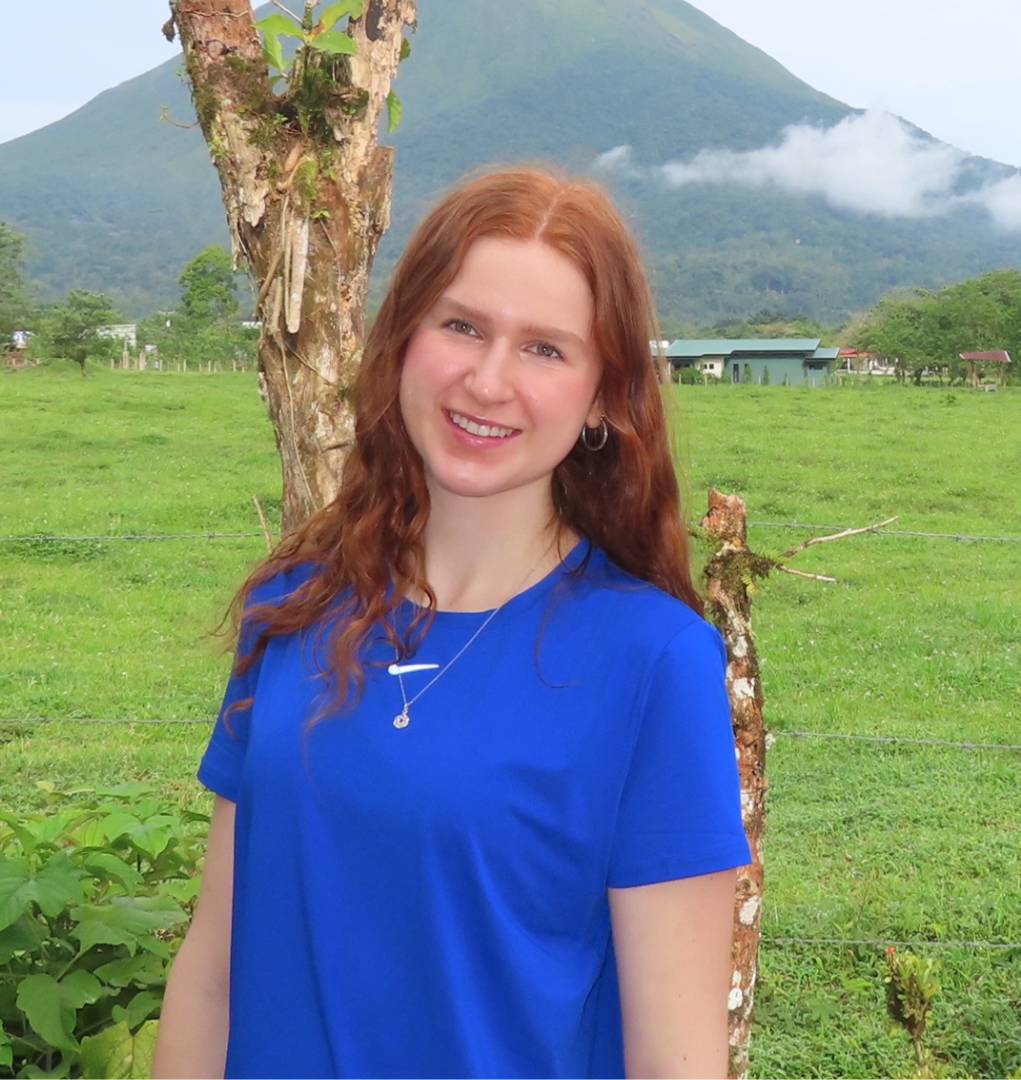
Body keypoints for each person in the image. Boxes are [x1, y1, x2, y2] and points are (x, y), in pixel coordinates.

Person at [153, 166, 751, 1080]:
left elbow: (675, 1060)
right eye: (462, 325)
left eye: (546, 349)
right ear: (404, 340)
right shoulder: (295, 608)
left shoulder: (652, 661)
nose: (487, 379)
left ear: (602, 396)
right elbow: (212, 973)